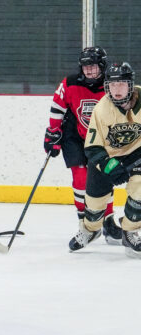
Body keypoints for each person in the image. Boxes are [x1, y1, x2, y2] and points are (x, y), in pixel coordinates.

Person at [45, 46, 121, 243]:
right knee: (80, 179)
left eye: (93, 66)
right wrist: (52, 133)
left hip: (103, 138)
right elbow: (57, 107)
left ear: (102, 66)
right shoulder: (69, 83)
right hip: (75, 136)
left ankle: (108, 221)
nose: (88, 70)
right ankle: (85, 224)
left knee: (105, 178)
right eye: (85, 66)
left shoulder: (113, 84)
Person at [72, 62, 141, 256]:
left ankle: (130, 232)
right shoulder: (101, 110)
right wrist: (111, 167)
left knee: (140, 191)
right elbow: (93, 147)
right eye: (112, 85)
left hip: (137, 155)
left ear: (131, 85)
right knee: (94, 205)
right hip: (107, 157)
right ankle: (90, 230)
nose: (117, 90)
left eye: (121, 84)